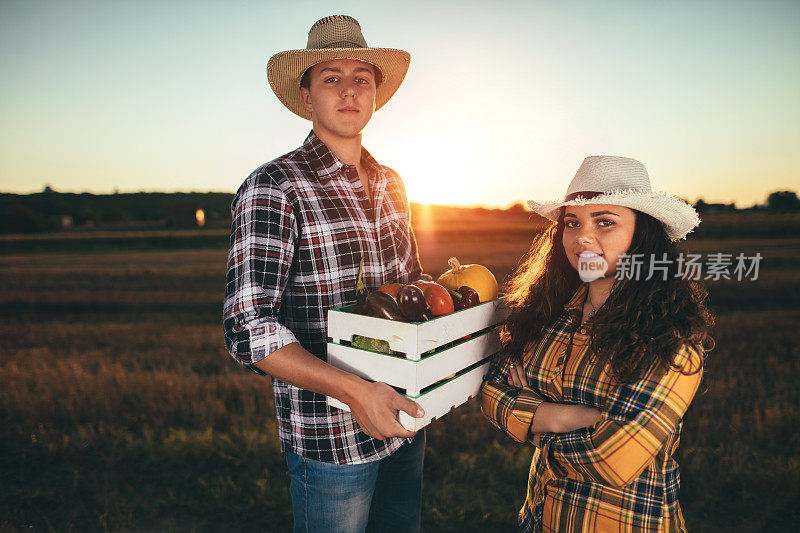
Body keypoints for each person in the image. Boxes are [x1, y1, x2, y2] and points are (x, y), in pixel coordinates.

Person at [223, 15, 426, 532]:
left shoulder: (393, 183)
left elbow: (414, 296)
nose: (349, 90)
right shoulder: (275, 186)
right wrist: (357, 391)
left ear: (376, 94)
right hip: (330, 439)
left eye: (362, 78)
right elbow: (248, 328)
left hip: (405, 421)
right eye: (330, 77)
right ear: (307, 95)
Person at [481, 156, 714, 532]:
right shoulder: (550, 314)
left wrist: (533, 423)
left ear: (643, 234)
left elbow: (612, 460)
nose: (582, 237)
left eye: (604, 222)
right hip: (540, 519)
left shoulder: (670, 339)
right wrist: (566, 417)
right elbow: (492, 390)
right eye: (572, 223)